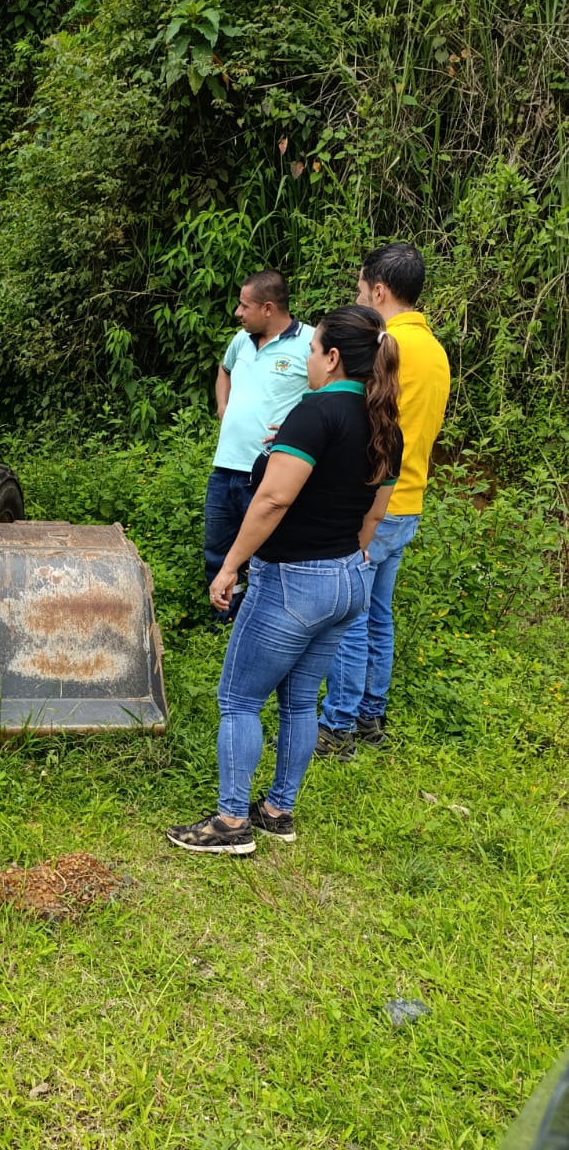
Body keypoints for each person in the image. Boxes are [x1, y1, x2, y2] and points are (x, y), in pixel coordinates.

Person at [165, 306, 403, 854]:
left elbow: (273, 499)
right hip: (349, 578)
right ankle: (278, 810)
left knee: (239, 699)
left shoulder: (314, 413)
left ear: (333, 357)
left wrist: (231, 565)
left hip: (292, 582)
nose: (309, 360)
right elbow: (374, 514)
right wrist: (343, 556)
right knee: (299, 702)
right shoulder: (386, 423)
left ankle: (230, 823)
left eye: (313, 351)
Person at [316, 243, 450, 757]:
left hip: (375, 501)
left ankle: (339, 727)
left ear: (378, 290)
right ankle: (371, 717)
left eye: (359, 290)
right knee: (377, 614)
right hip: (409, 499)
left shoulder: (385, 344)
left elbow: (358, 415)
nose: (358, 299)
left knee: (349, 616)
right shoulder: (434, 350)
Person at [207, 271, 313, 621]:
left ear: (268, 308)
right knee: (218, 552)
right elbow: (224, 370)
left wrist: (299, 426)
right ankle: (224, 623)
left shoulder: (310, 342)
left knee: (266, 556)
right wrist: (223, 405)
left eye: (244, 306)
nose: (238, 312)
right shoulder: (241, 340)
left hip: (269, 471)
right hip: (225, 467)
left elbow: (327, 393)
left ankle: (261, 624)